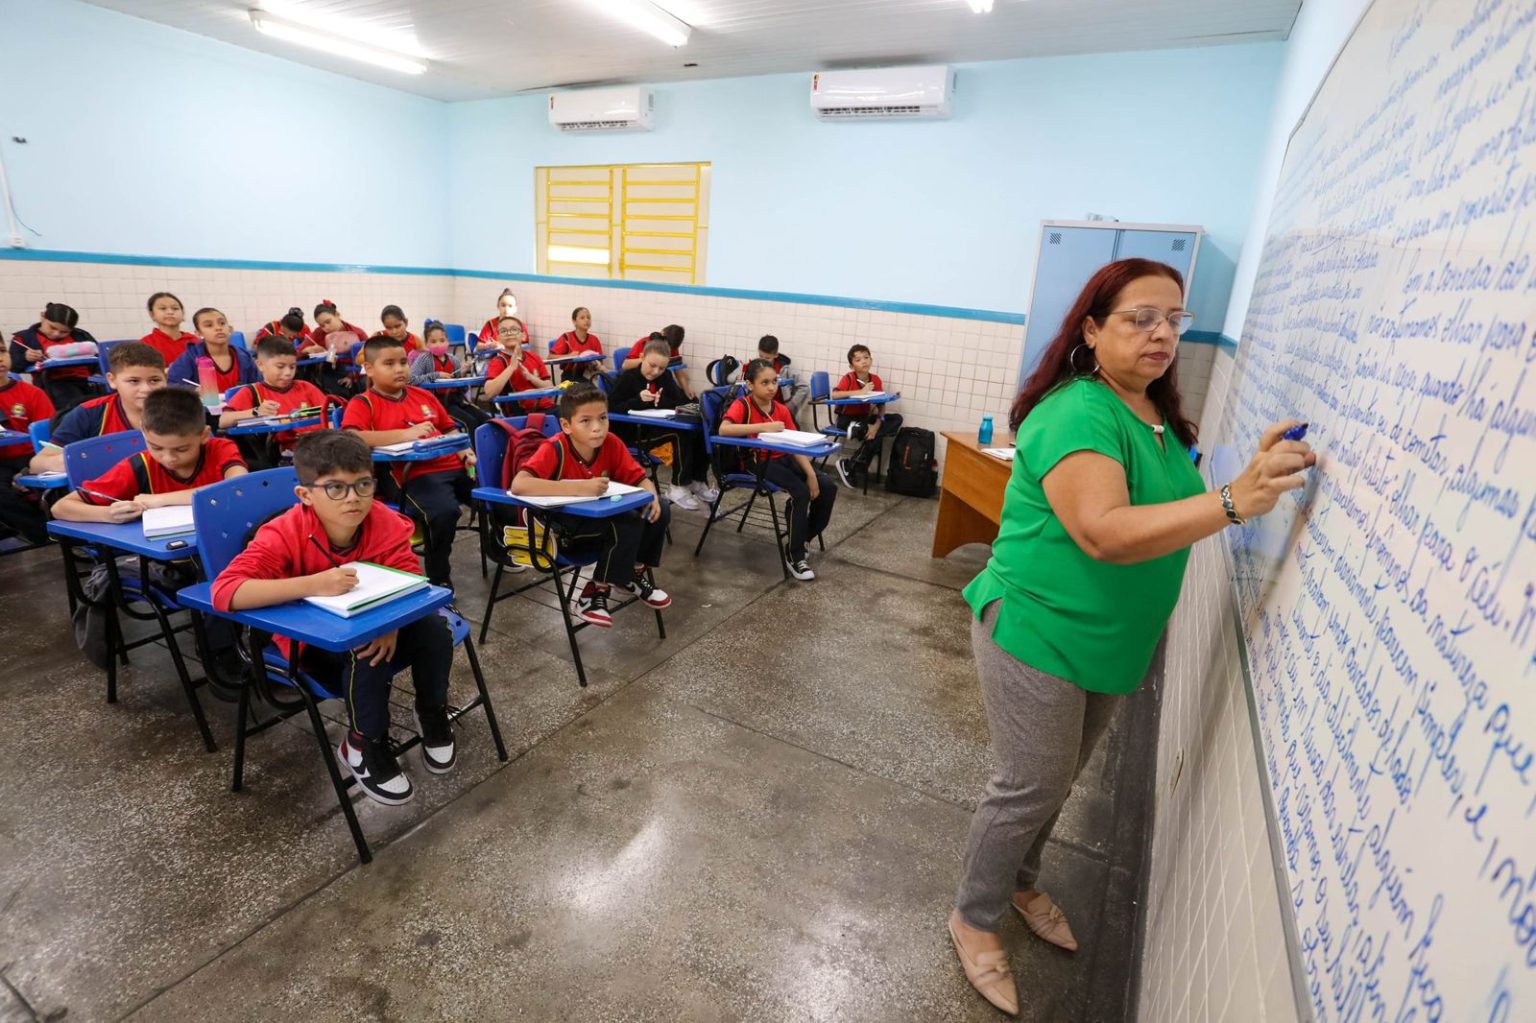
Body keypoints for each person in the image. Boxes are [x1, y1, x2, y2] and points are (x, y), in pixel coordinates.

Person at [948, 259, 1315, 1017]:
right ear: (1091, 328)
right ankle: (973, 914)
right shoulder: (1079, 411)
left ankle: (1019, 881)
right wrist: (1232, 502)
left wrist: (1238, 478)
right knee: (1028, 785)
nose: (1161, 334)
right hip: (1039, 630)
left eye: (1173, 319)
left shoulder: (1150, 412)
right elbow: (1105, 532)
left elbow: (1171, 501)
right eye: (1139, 318)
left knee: (1055, 779)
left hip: (1112, 640)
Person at [211, 430, 459, 806]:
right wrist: (312, 584)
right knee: (368, 653)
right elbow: (226, 592)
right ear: (305, 495)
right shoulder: (282, 533)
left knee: (434, 630)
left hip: (374, 623)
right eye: (335, 488)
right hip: (308, 644)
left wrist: (391, 622)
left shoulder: (384, 521)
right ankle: (363, 743)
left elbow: (409, 578)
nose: (354, 499)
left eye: (363, 485)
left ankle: (431, 711)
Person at [511, 386, 670, 627]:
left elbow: (640, 478)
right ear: (566, 426)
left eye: (603, 418)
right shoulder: (555, 447)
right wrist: (579, 487)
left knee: (660, 510)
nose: (597, 427)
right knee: (626, 521)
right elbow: (520, 485)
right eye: (585, 421)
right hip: (563, 526)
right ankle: (594, 592)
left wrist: (653, 496)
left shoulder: (611, 443)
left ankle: (632, 575)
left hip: (599, 521)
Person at [342, 334, 476, 589]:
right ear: (369, 368)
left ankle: (501, 548)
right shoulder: (364, 403)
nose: (399, 369)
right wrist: (406, 434)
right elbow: (351, 436)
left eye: (403, 362)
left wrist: (463, 450)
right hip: (410, 475)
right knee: (444, 513)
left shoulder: (422, 395)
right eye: (389, 363)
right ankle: (439, 578)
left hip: (453, 466)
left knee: (494, 497)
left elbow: (449, 428)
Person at [52, 387, 248, 523]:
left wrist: (159, 500)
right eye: (157, 448)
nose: (169, 458)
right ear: (144, 434)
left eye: (181, 449)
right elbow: (61, 507)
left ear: (204, 435)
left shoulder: (221, 448)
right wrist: (109, 514)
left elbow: (239, 486)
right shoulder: (139, 465)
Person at [718, 358, 836, 582]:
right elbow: (724, 430)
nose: (772, 387)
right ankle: (795, 556)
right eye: (765, 383)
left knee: (827, 486)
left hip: (784, 458)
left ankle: (802, 538)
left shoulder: (781, 409)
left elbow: (795, 444)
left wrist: (811, 474)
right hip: (759, 462)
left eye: (775, 381)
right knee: (800, 493)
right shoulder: (742, 405)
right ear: (750, 385)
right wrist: (763, 427)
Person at [609, 338, 716, 511]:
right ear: (642, 357)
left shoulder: (665, 377)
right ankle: (678, 486)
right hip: (632, 433)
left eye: (662, 368)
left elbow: (678, 401)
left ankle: (698, 480)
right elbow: (610, 407)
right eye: (652, 365)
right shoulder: (627, 378)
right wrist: (637, 401)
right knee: (680, 434)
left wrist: (661, 400)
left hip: (655, 427)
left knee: (699, 430)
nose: (656, 371)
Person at [29, 342, 167, 475]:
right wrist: (69, 461)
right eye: (134, 381)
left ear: (165, 378)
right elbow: (37, 463)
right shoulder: (89, 413)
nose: (146, 389)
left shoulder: (182, 409)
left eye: (155, 380)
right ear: (112, 380)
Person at [220, 335, 328, 467]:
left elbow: (329, 415)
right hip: (281, 458)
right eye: (280, 366)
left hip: (319, 448)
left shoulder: (306, 387)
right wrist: (256, 411)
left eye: (292, 367)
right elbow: (223, 421)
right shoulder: (252, 392)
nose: (288, 373)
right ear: (260, 365)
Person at [0, 344, 55, 543]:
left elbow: (50, 440)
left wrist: (26, 470)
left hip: (31, 457)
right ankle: (42, 531)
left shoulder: (32, 394)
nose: (0, 358)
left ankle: (52, 533)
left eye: (1, 351)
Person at [831, 344, 903, 489]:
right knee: (869, 434)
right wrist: (860, 392)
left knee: (896, 419)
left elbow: (881, 404)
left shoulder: (875, 379)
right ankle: (855, 461)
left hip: (864, 417)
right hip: (846, 418)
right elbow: (834, 395)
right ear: (852, 366)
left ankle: (850, 463)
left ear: (871, 360)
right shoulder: (849, 378)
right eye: (858, 360)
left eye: (866, 357)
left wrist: (876, 426)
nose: (863, 361)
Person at [9, 302, 99, 411]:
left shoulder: (81, 335)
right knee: (78, 406)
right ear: (42, 317)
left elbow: (100, 357)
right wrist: (25, 358)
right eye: (52, 327)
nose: (56, 334)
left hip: (88, 380)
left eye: (64, 332)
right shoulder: (24, 338)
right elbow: (13, 365)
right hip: (53, 383)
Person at [409, 321, 489, 435]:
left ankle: (486, 450)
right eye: (433, 341)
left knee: (485, 418)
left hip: (458, 401)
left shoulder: (453, 359)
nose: (438, 344)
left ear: (448, 341)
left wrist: (462, 372)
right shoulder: (424, 359)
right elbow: (411, 380)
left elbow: (459, 384)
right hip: (439, 404)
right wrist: (436, 375)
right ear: (426, 344)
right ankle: (472, 452)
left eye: (442, 340)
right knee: (470, 422)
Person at [168, 307, 258, 398]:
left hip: (241, 410)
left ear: (230, 329)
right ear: (199, 334)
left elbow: (258, 385)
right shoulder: (189, 358)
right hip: (204, 410)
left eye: (222, 323)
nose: (218, 328)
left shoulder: (244, 357)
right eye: (209, 325)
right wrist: (194, 391)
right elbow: (171, 386)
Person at [481, 316, 554, 410]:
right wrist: (511, 367)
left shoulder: (535, 357)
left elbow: (550, 387)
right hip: (522, 415)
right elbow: (489, 392)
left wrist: (531, 378)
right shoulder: (498, 361)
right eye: (503, 331)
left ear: (523, 336)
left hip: (548, 407)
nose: (509, 333)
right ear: (498, 338)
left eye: (514, 329)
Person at [748, 335, 808, 420]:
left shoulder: (785, 370)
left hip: (779, 412)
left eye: (767, 358)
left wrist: (790, 406)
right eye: (761, 356)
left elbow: (804, 387)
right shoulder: (754, 367)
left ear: (776, 355)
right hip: (758, 411)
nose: (763, 360)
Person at [549, 306, 604, 383]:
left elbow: (600, 361)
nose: (586, 320)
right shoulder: (566, 337)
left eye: (588, 318)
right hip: (570, 376)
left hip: (589, 374)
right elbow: (550, 357)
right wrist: (568, 356)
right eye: (582, 318)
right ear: (574, 321)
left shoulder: (594, 339)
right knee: (586, 390)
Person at [140, 292, 194, 366]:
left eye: (175, 308)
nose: (170, 312)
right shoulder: (145, 345)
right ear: (152, 315)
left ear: (183, 314)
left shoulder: (195, 341)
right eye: (163, 308)